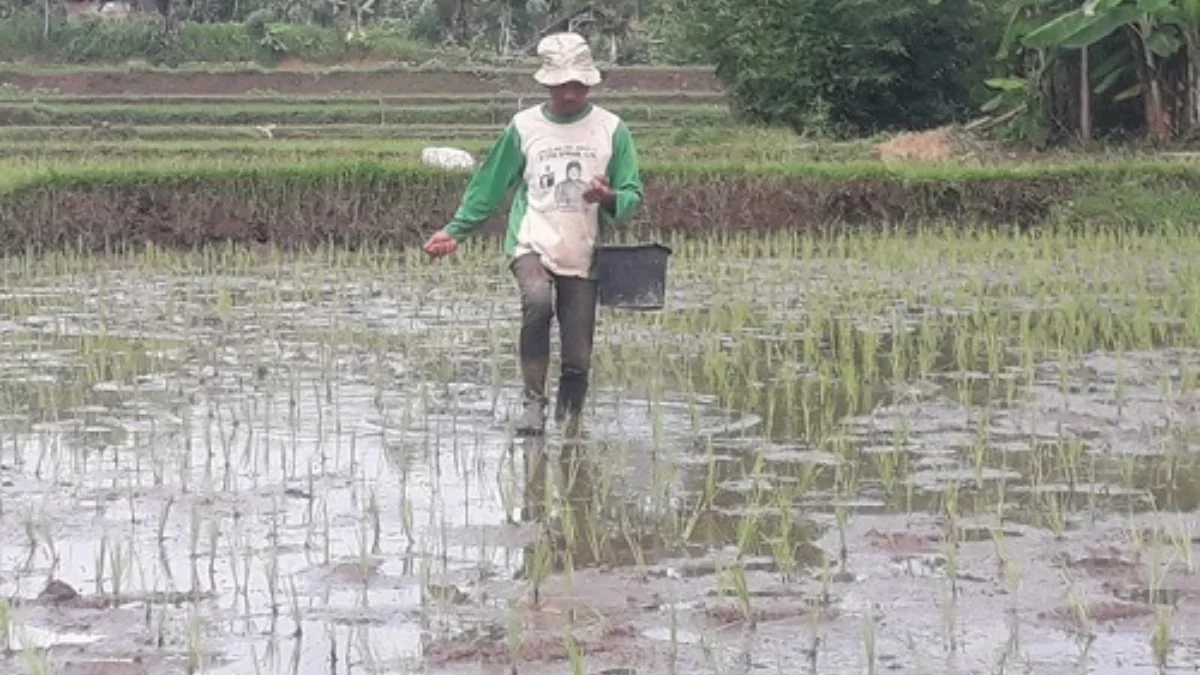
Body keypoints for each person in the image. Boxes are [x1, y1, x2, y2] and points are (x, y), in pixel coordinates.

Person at [422, 32, 645, 436]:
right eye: (561, 86)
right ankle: (532, 404)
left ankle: (570, 423)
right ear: (546, 84)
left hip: (584, 251)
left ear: (590, 84)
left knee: (577, 354)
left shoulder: (612, 130)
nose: (570, 95)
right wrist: (455, 230)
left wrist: (607, 195)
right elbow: (490, 186)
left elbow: (631, 195)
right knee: (538, 301)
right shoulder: (524, 127)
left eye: (577, 86)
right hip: (532, 240)